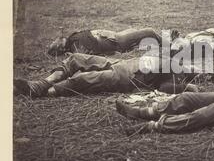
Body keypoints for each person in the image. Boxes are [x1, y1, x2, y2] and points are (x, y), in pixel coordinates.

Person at [14, 53, 199, 98]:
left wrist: (187, 87)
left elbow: (164, 89)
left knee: (83, 80)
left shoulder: (177, 74)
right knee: (76, 58)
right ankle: (44, 82)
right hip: (120, 63)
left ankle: (42, 91)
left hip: (126, 78)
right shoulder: (170, 59)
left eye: (193, 67)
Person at [47, 28, 177, 56]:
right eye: (56, 43)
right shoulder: (75, 45)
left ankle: (165, 42)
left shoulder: (72, 39)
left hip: (115, 36)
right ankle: (170, 45)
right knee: (149, 32)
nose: (57, 39)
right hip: (117, 41)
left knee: (137, 31)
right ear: (61, 48)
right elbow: (87, 55)